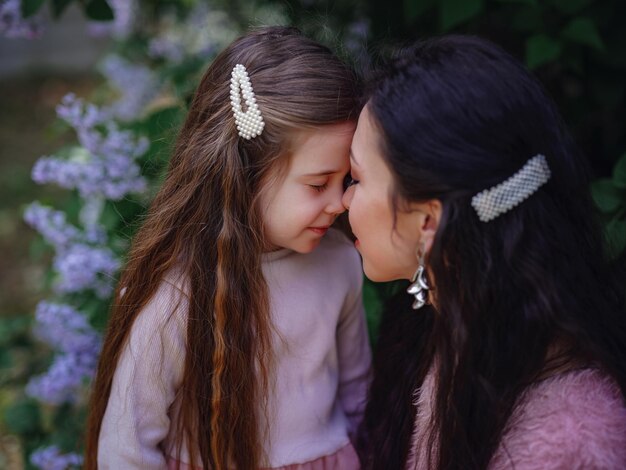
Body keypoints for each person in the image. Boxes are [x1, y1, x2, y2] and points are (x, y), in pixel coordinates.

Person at [84, 26, 371, 470]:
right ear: (245, 171)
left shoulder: (341, 262)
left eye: (346, 181)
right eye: (318, 184)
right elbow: (127, 448)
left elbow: (358, 395)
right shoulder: (178, 293)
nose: (340, 203)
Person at [343, 35, 626, 469]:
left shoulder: (574, 444)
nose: (343, 201)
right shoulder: (455, 333)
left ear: (428, 221)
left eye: (357, 179)